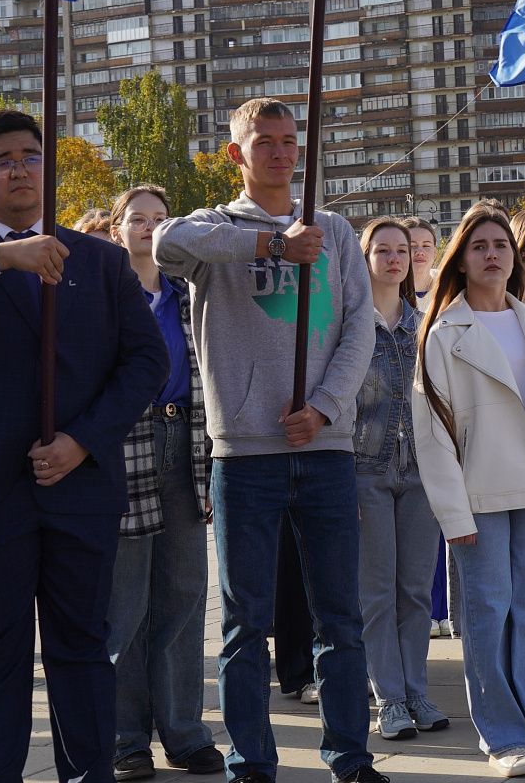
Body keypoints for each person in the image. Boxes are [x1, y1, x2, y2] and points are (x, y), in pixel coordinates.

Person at [0, 109, 168, 783]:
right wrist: (3, 257)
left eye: (31, 155)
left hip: (78, 484)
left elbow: (145, 362)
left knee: (83, 651)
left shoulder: (102, 260)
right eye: (2, 158)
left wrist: (84, 441)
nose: (20, 168)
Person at [152, 98, 381, 783]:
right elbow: (165, 243)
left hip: (324, 449)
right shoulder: (215, 230)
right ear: (237, 154)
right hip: (245, 455)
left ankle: (350, 753)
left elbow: (358, 331)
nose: (281, 154)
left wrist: (324, 407)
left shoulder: (335, 231)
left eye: (290, 142)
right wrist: (272, 245)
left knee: (339, 618)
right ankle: (251, 756)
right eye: (265, 143)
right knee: (245, 623)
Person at [413, 203, 525, 776]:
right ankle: (502, 737)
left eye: (501, 246)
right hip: (480, 497)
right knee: (488, 612)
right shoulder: (444, 333)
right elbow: (433, 433)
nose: (492, 254)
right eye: (479, 246)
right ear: (460, 260)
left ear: (515, 257)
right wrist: (452, 512)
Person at [105, 186, 222, 779]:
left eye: (160, 219)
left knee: (182, 595)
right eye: (138, 219)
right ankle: (125, 739)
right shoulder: (102, 294)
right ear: (116, 228)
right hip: (123, 447)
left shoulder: (186, 292)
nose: (150, 228)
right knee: (124, 604)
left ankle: (184, 731)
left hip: (185, 443)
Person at [355, 218, 448, 741]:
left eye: (405, 250)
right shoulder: (349, 324)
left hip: (420, 473)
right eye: (384, 250)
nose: (396, 259)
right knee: (376, 593)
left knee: (414, 590)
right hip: (364, 470)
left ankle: (417, 691)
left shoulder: (427, 321)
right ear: (365, 257)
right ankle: (388, 698)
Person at [402, 216, 456, 640]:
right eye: (411, 243)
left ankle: (442, 608)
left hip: (441, 413)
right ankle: (423, 607)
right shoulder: (382, 292)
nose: (418, 251)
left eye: (425, 244)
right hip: (398, 421)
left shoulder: (448, 292)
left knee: (442, 517)